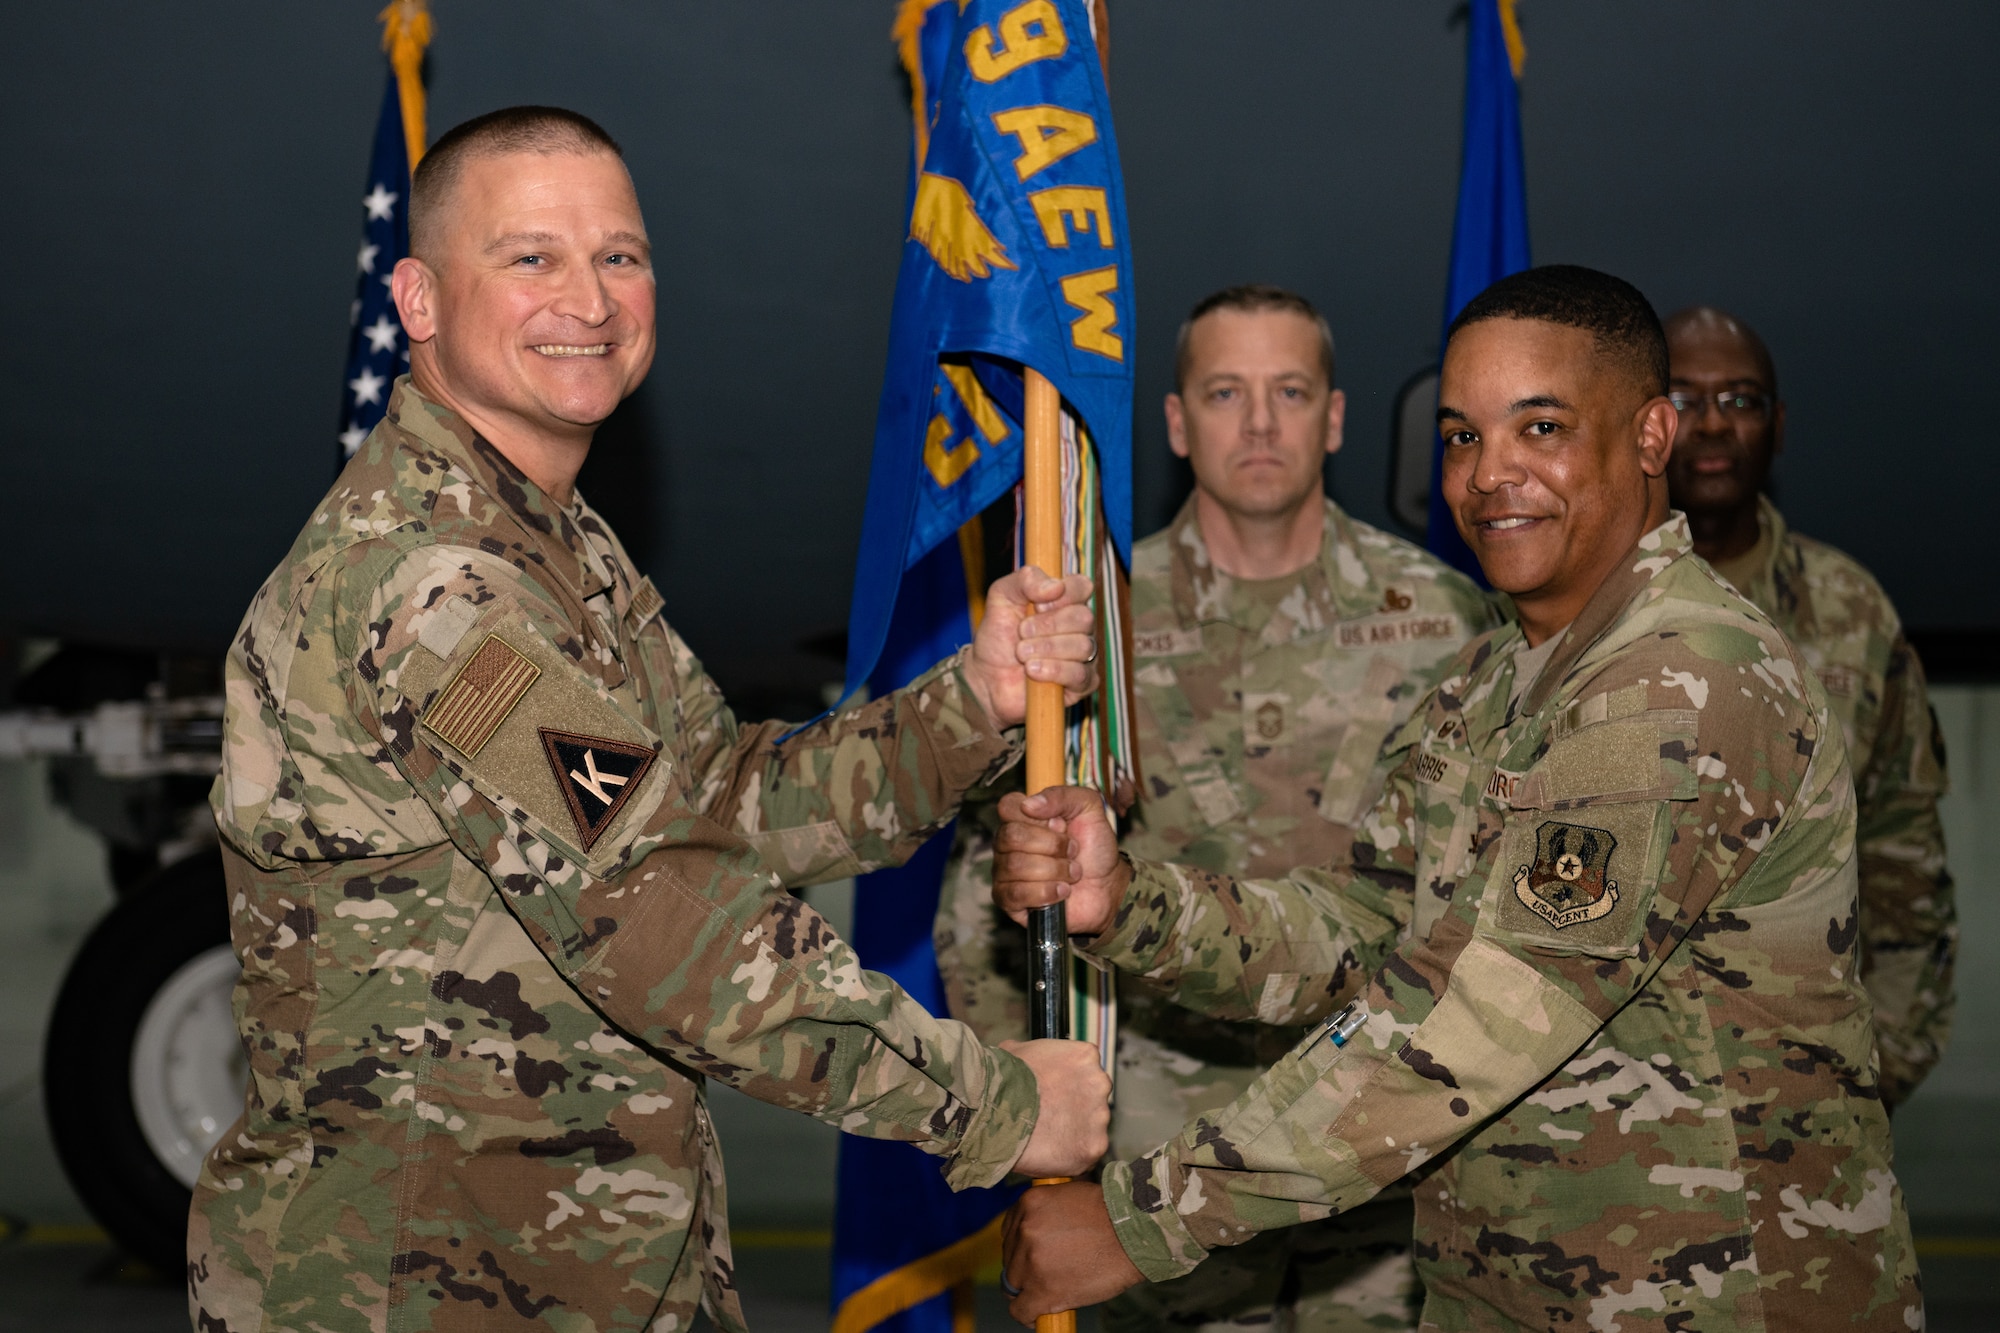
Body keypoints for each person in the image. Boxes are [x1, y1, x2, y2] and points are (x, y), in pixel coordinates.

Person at [188, 106, 1113, 1332]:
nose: (590, 298)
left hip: (579, 1269)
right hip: (418, 1286)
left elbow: (718, 798)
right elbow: (665, 915)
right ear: (415, 299)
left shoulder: (552, 541)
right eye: (530, 258)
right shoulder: (439, 592)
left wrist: (974, 702)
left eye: (618, 256)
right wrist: (995, 1103)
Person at [989, 266, 1922, 1330]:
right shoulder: (1488, 684)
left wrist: (1140, 1219)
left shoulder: (1683, 678)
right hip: (1513, 1292)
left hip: (1709, 1301)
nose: (1491, 475)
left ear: (1651, 437)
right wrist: (1134, 903)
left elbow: (1477, 1020)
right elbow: (1371, 928)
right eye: (1462, 436)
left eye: (1541, 428)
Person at [933, 284, 1493, 1332]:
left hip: (1378, 1121)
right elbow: (988, 891)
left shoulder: (1442, 619)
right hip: (1151, 1141)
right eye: (1225, 392)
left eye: (1290, 390)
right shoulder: (1088, 630)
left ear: (1332, 418)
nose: (1261, 422)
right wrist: (1029, 1112)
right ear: (1178, 425)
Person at [1665, 305, 1955, 1107]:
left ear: (1779, 425)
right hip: (1611, 1119)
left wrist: (1873, 1073)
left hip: (1811, 1111)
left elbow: (1908, 873)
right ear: (1645, 426)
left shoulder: (1852, 615)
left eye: (1743, 400)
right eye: (1685, 400)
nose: (1715, 424)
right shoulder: (1572, 605)